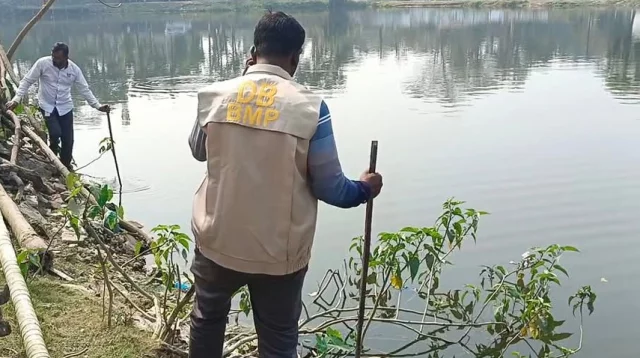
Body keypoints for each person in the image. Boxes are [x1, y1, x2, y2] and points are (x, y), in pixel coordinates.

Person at [187, 10, 383, 358]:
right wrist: (364, 188)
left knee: (207, 320)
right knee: (278, 339)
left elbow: (198, 151)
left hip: (216, 239)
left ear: (253, 50)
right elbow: (330, 187)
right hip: (279, 252)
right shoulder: (310, 108)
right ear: (295, 58)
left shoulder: (214, 96)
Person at [6, 42, 110, 171]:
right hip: (47, 106)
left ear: (66, 58)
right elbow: (27, 81)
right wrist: (16, 99)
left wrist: (98, 106)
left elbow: (84, 90)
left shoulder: (74, 70)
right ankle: (52, 157)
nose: (54, 60)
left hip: (65, 107)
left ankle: (65, 166)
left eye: (58, 58)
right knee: (55, 133)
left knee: (68, 140)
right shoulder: (43, 63)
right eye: (53, 57)